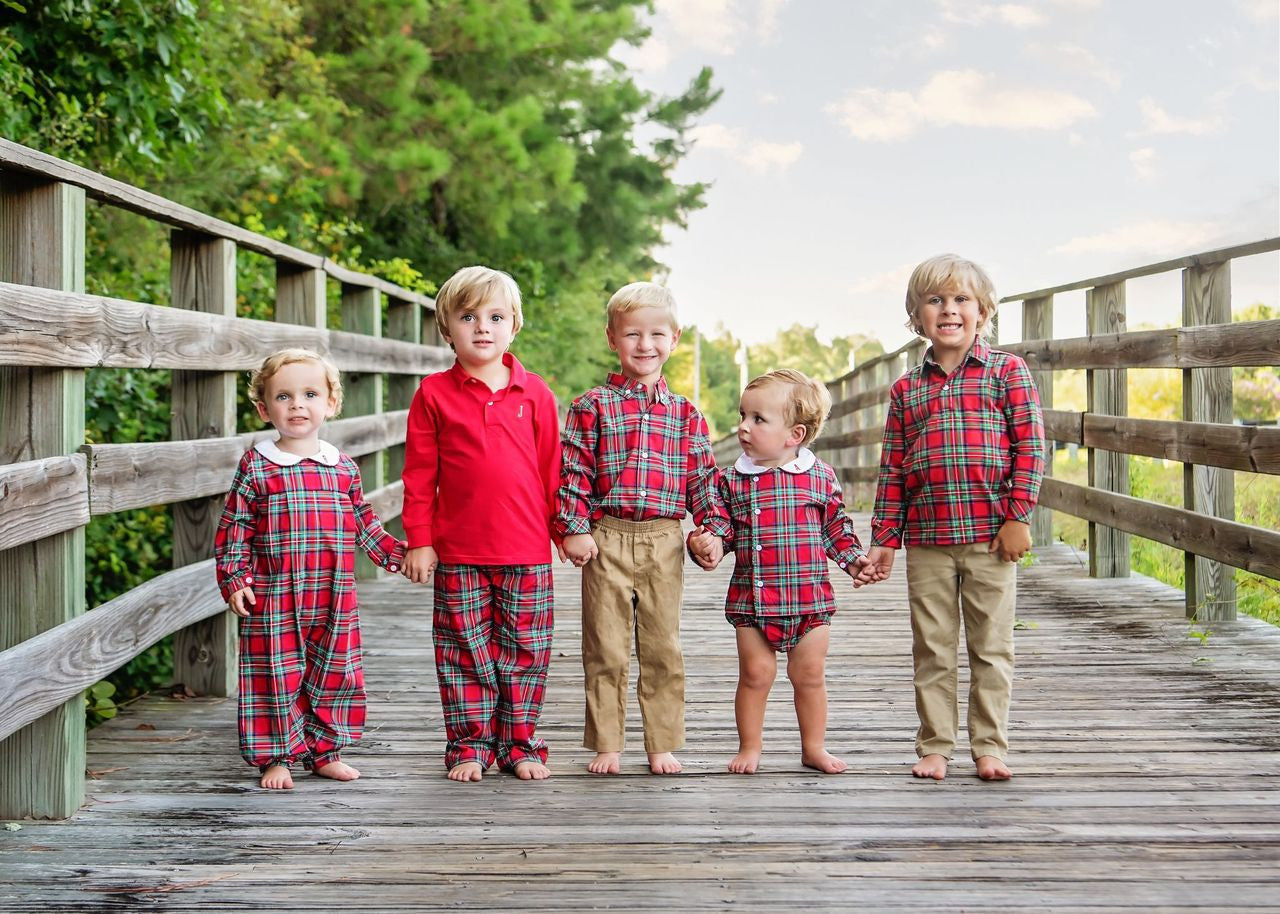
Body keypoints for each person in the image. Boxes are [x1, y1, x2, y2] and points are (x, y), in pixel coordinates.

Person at [858, 253, 1045, 782]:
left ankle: (990, 746)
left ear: (983, 311)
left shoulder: (1007, 372)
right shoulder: (905, 391)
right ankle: (935, 744)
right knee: (933, 647)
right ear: (917, 318)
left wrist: (1019, 516)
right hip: (929, 541)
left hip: (991, 538)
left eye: (961, 299)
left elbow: (1030, 446)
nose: (949, 310)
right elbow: (892, 469)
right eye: (935, 300)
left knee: (991, 647)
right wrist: (885, 538)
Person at [558, 281, 731, 775]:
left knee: (661, 646)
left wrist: (712, 529)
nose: (645, 345)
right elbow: (574, 471)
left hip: (663, 540)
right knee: (606, 645)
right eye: (632, 334)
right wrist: (574, 525)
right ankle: (608, 742)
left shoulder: (685, 415)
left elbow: (702, 478)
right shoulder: (591, 405)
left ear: (674, 339)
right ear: (612, 338)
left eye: (657, 334)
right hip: (606, 535)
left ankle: (661, 742)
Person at [214, 348, 406, 790]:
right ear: (264, 408)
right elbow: (234, 527)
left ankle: (325, 750)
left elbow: (363, 521)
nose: (297, 404)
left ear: (330, 404)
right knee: (274, 671)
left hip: (333, 591)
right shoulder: (258, 465)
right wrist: (235, 578)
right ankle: (277, 754)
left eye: (309, 394)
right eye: (283, 397)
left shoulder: (341, 468)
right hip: (275, 592)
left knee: (334, 668)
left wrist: (398, 556)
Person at [400, 265, 561, 783]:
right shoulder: (433, 394)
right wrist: (420, 542)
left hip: (527, 549)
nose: (482, 327)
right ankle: (469, 745)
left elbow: (551, 469)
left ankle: (519, 743)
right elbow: (420, 474)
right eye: (468, 317)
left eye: (495, 316)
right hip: (460, 551)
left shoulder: (535, 393)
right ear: (447, 329)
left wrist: (566, 529)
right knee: (462, 652)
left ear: (515, 325)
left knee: (525, 651)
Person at [689, 369, 871, 774]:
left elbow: (835, 528)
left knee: (809, 676)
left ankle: (814, 747)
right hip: (753, 600)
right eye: (742, 415)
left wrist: (853, 559)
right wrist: (707, 543)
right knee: (755, 675)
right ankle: (750, 746)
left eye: (758, 419)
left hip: (809, 600)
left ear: (795, 435)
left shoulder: (819, 477)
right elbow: (722, 528)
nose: (743, 427)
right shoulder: (731, 481)